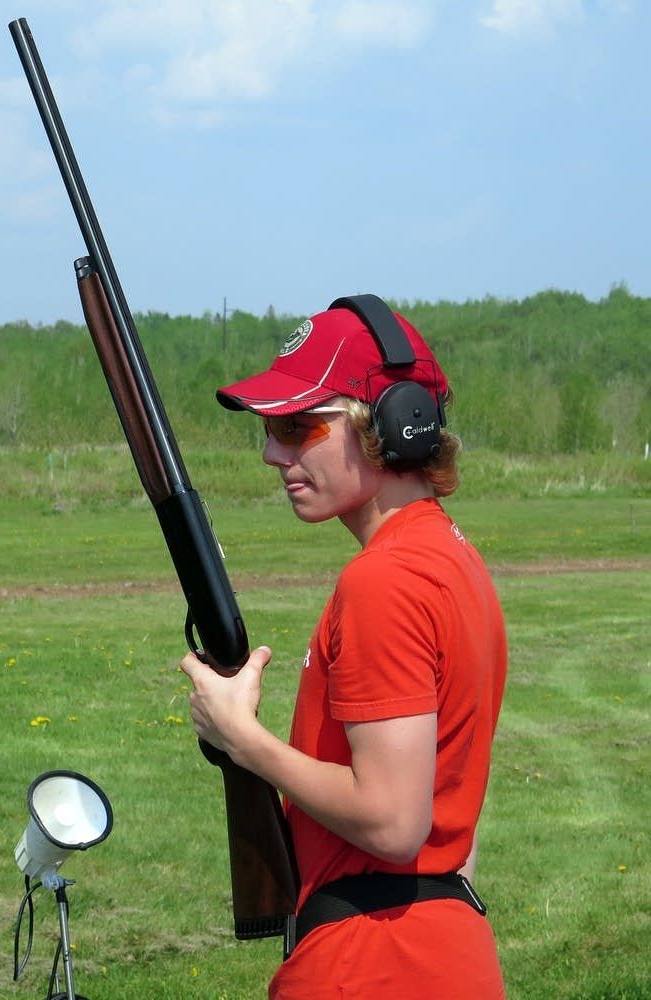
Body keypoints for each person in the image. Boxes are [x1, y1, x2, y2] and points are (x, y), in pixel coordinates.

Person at [180, 296, 507, 999]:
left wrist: (242, 739)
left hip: (374, 962)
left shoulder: (384, 580)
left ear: (393, 428)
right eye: (271, 429)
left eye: (299, 426)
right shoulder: (451, 556)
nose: (274, 453)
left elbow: (392, 822)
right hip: (442, 950)